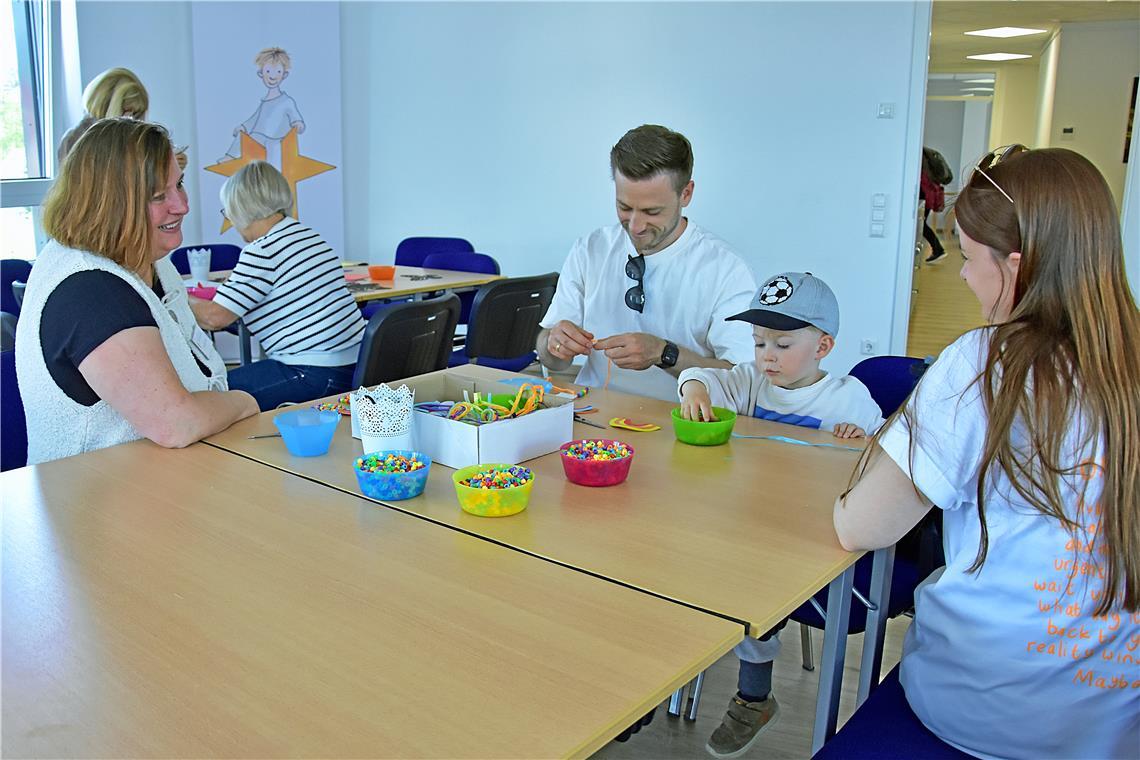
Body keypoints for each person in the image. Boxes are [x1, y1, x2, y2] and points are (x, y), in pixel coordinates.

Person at [835, 147, 1139, 758]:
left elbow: (858, 526)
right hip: (1113, 725)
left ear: (1016, 267)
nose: (965, 276)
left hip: (984, 710)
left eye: (970, 259)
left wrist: (903, 421)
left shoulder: (984, 363)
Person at [678, 271, 882, 759]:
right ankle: (675, 658)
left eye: (782, 344)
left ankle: (753, 697)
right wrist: (693, 389)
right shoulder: (750, 382)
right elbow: (702, 376)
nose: (767, 355)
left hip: (812, 536)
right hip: (749, 523)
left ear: (823, 346)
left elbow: (887, 457)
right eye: (759, 342)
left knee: (749, 584)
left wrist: (864, 440)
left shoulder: (845, 398)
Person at [16, 118, 258, 465]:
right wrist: (244, 401)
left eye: (180, 185)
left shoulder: (145, 260)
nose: (182, 205)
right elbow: (176, 422)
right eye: (159, 196)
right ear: (110, 204)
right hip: (93, 504)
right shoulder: (90, 290)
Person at [536, 124, 757, 402]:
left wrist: (664, 353)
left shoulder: (726, 269)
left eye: (652, 212)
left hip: (680, 425)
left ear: (686, 194)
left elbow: (742, 382)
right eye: (624, 207)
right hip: (592, 416)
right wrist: (554, 344)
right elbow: (551, 359)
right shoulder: (590, 249)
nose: (636, 226)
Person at [188, 160, 365, 411]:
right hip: (353, 367)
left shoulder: (262, 249)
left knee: (206, 395)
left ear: (240, 209)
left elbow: (215, 318)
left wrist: (173, 294)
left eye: (226, 211)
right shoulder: (307, 236)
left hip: (314, 374)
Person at [57, 67, 187, 169]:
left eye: (136, 114)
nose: (130, 119)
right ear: (106, 103)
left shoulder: (127, 139)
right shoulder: (76, 141)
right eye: (126, 111)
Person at [221, 47, 306, 168]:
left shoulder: (286, 101)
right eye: (268, 71)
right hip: (259, 136)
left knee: (273, 162)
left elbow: (295, 117)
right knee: (243, 136)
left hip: (276, 139)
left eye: (278, 72)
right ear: (261, 73)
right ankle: (230, 157)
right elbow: (254, 119)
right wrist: (243, 126)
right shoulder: (264, 102)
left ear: (284, 75)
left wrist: (298, 124)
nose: (272, 76)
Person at [920, 146, 950, 263]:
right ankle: (938, 250)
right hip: (928, 194)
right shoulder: (927, 156)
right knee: (921, 225)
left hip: (924, 195)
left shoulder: (920, 155)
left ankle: (938, 250)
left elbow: (923, 179)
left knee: (921, 225)